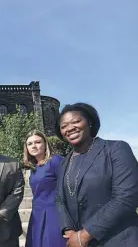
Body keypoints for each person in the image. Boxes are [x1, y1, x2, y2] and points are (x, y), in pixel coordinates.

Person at [55, 102, 138, 247]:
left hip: (117, 239)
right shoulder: (64, 162)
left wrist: (85, 235)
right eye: (63, 126)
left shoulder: (116, 149)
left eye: (76, 121)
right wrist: (68, 229)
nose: (70, 128)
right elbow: (60, 198)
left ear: (90, 123)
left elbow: (126, 198)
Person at [23, 130, 66, 247]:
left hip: (54, 214)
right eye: (30, 143)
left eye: (38, 142)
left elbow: (68, 189)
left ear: (45, 144)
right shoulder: (34, 168)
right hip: (37, 214)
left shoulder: (55, 161)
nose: (34, 146)